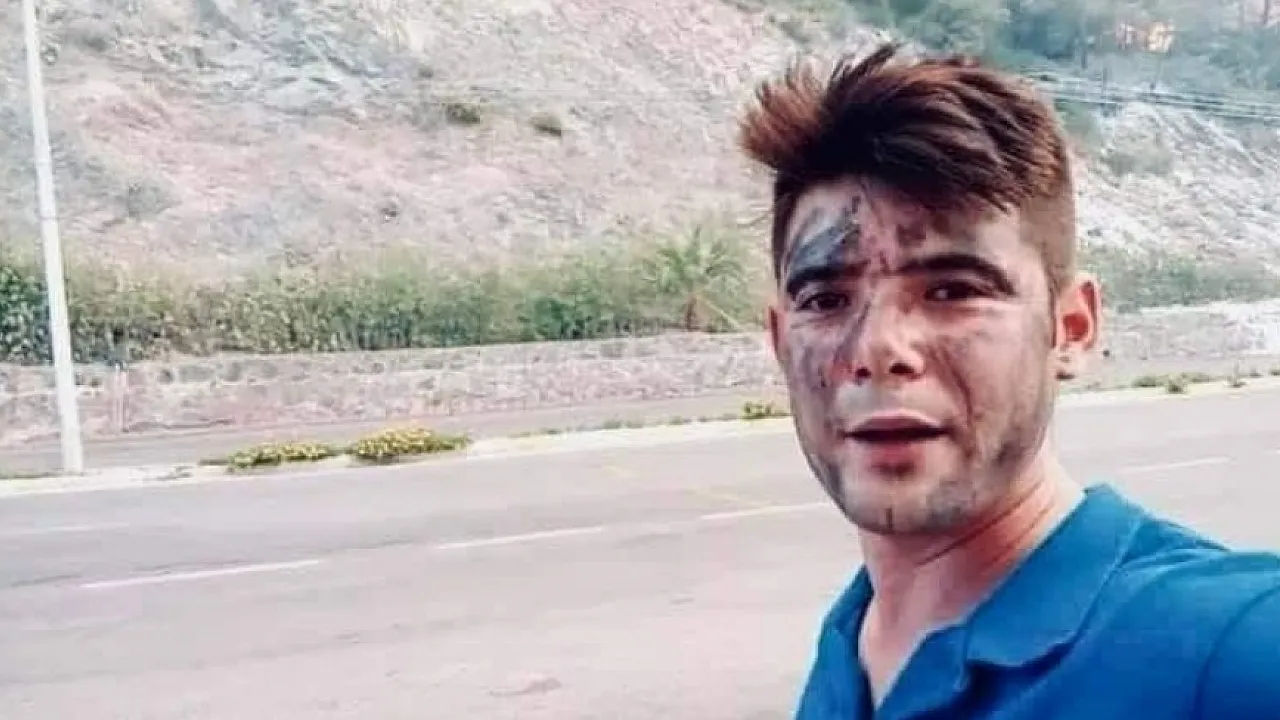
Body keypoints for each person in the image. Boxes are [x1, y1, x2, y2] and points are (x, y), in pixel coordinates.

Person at [736, 43, 1280, 719]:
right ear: (780, 339)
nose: (878, 349)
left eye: (953, 290)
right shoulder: (850, 648)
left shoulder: (1226, 648)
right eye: (825, 299)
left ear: (1072, 327)